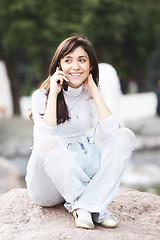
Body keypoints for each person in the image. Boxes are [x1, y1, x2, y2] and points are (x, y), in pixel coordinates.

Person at [25, 36, 135, 230]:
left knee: (125, 136)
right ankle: (94, 207)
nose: (75, 66)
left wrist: (93, 89)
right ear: (59, 65)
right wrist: (54, 93)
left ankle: (85, 206)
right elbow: (45, 140)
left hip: (79, 174)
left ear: (90, 65)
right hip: (47, 184)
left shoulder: (89, 94)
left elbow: (110, 131)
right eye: (68, 60)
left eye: (82, 60)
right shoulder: (42, 96)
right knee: (51, 143)